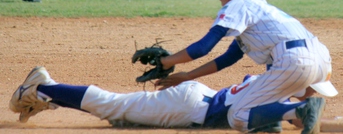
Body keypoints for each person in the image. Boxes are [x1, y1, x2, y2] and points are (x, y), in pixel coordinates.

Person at [153, 0, 338, 134]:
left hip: (295, 61)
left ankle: (302, 109)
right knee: (270, 102)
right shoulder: (260, 10)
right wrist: (188, 76)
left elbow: (203, 47)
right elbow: (229, 57)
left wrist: (166, 61)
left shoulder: (239, 3)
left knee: (238, 116)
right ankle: (273, 120)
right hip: (319, 59)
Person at [10, 66, 319, 131]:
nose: (313, 94)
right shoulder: (276, 100)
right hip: (187, 107)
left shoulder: (266, 84)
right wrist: (297, 113)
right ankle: (42, 88)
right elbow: (293, 112)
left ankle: (47, 90)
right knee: (114, 106)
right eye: (312, 90)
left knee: (119, 113)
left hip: (194, 100)